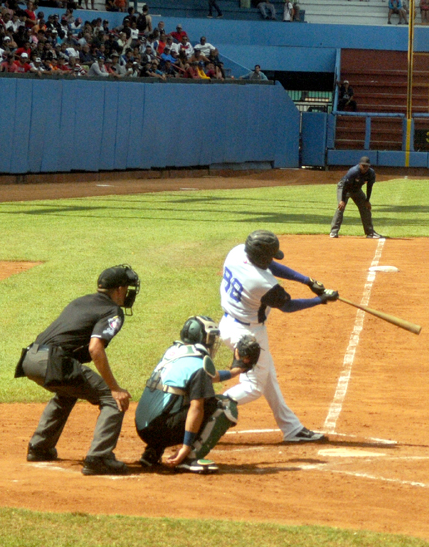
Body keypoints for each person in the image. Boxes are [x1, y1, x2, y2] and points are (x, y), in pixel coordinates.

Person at [15, 265, 140, 476]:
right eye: (126, 289)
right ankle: (99, 458)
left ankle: (40, 447)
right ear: (119, 290)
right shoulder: (113, 311)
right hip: (53, 361)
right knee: (112, 400)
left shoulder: (81, 300)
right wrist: (114, 388)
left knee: (68, 391)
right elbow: (95, 348)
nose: (127, 294)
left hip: (30, 358)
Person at [219, 230, 339, 442]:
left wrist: (306, 280)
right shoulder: (262, 284)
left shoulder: (237, 252)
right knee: (254, 387)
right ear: (262, 256)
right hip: (249, 336)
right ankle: (210, 404)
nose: (272, 259)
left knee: (268, 377)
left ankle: (292, 428)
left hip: (229, 324)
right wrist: (320, 300)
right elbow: (289, 306)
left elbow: (271, 266)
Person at [135, 316, 251, 473]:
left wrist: (235, 371)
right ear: (202, 337)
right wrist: (186, 447)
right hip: (160, 430)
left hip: (144, 427)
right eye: (210, 337)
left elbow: (211, 375)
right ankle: (190, 458)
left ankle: (152, 452)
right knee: (224, 406)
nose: (212, 342)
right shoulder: (198, 365)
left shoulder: (174, 352)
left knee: (177, 397)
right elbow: (197, 408)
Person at [330, 156, 381, 238]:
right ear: (360, 165)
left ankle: (370, 232)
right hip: (344, 188)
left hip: (356, 190)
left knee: (366, 208)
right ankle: (333, 231)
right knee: (341, 208)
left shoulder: (371, 173)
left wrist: (367, 200)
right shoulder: (353, 172)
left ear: (369, 166)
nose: (365, 168)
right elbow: (345, 186)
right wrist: (342, 200)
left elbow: (369, 187)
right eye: (363, 166)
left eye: (367, 166)